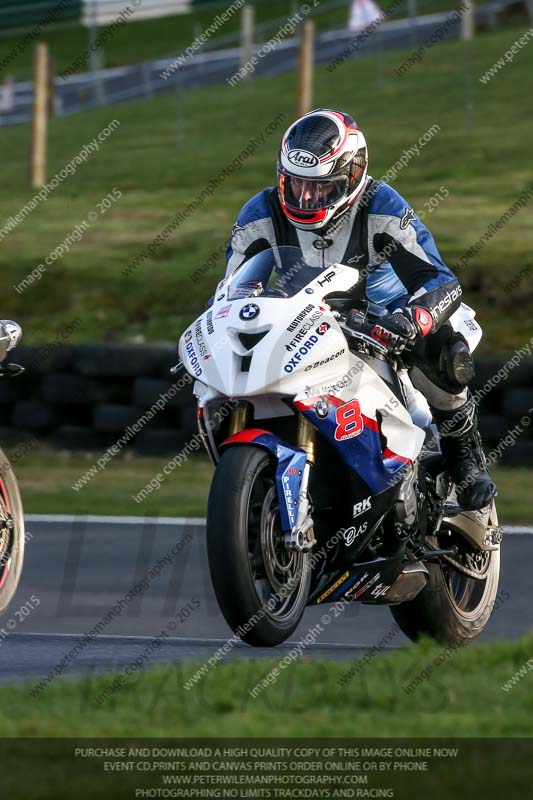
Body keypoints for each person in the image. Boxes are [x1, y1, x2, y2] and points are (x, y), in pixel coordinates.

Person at [225, 108, 496, 511]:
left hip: (384, 320)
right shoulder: (259, 213)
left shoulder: (381, 206)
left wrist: (414, 318)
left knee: (445, 349)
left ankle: (464, 455)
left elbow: (439, 279)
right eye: (296, 184)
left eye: (320, 188)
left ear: (352, 176)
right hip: (304, 323)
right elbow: (234, 291)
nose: (305, 197)